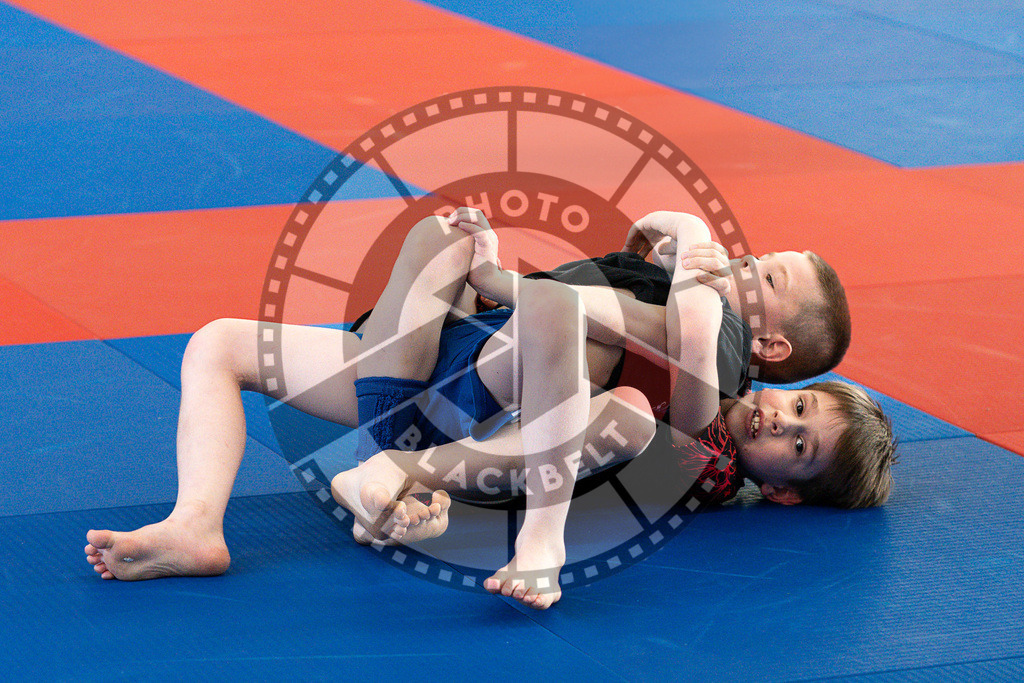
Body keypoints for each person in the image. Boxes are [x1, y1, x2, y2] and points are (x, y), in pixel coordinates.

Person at [83, 208, 878, 609]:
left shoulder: (712, 361)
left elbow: (683, 338)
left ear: (768, 350)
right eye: (799, 410)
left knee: (582, 337)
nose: (743, 262)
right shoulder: (688, 301)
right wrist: (674, 239)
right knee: (220, 342)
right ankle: (198, 523)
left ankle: (514, 525)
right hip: (437, 365)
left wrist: (689, 261)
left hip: (482, 404)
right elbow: (647, 257)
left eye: (764, 278)